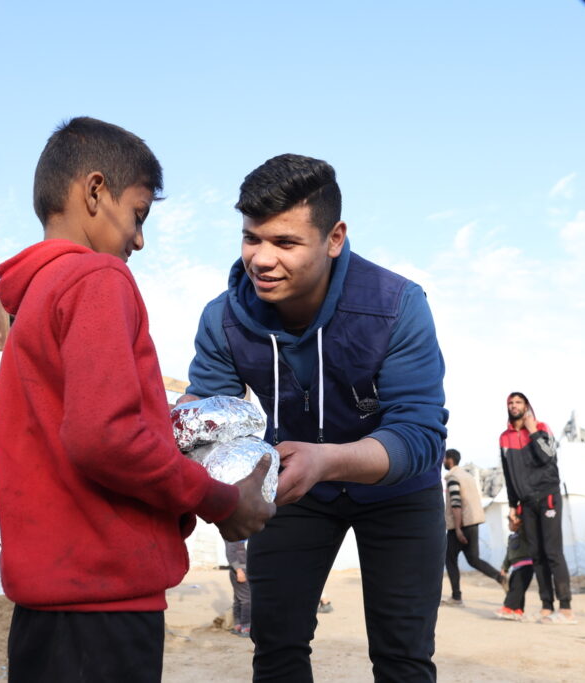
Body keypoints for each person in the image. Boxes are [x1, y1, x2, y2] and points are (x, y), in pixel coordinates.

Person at [0, 117, 275, 683]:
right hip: (104, 610)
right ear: (95, 191)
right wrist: (220, 500)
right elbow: (106, 437)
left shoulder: (35, 296)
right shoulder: (98, 279)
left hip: (50, 604)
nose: (139, 240)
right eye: (138, 216)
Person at [181, 153, 448, 681]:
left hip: (397, 491)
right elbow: (207, 418)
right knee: (275, 645)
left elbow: (420, 436)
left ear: (334, 238)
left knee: (403, 656)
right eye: (251, 237)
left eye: (285, 242)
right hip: (294, 486)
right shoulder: (223, 320)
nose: (261, 259)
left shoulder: (396, 305)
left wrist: (330, 460)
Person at [499, 391, 576, 625]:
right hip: (526, 502)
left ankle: (565, 608)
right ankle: (546, 607)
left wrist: (533, 432)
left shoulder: (542, 427)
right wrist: (513, 506)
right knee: (536, 555)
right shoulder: (504, 437)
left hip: (548, 496)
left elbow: (549, 456)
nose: (514, 406)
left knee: (552, 552)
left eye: (518, 402)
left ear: (527, 406)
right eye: (511, 402)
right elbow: (508, 473)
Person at [442, 448, 506, 606]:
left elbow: (456, 504)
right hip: (473, 523)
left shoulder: (453, 478)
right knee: (473, 559)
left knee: (449, 559)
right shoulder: (468, 477)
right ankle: (500, 577)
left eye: (444, 459)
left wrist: (457, 529)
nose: (442, 462)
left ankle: (456, 597)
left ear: (450, 460)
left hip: (460, 524)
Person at [495, 515, 534, 621]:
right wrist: (505, 567)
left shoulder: (524, 534)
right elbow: (508, 554)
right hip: (516, 568)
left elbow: (527, 526)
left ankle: (508, 607)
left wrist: (520, 520)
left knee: (516, 588)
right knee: (517, 588)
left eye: (510, 522)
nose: (509, 525)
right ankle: (518, 609)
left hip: (526, 566)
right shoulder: (511, 538)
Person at [225, 540, 251, 637]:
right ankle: (246, 627)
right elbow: (230, 552)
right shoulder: (234, 533)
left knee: (239, 598)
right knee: (246, 599)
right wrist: (239, 570)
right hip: (240, 570)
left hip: (241, 569)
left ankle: (238, 626)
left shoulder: (237, 532)